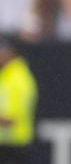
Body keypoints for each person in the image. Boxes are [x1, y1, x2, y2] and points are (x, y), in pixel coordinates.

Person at [0, 35, 38, 164]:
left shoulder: (19, 78)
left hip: (16, 146)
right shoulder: (6, 75)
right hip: (5, 144)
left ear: (12, 51)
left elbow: (12, 119)